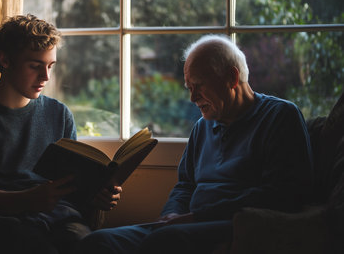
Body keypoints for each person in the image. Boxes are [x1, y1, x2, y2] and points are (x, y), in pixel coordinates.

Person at [75, 35, 313, 254]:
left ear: (232, 77)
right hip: (184, 225)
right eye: (189, 88)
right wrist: (171, 216)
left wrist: (196, 218)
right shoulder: (202, 127)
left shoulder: (280, 116)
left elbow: (282, 193)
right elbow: (185, 186)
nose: (192, 98)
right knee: (97, 242)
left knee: (166, 241)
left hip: (234, 224)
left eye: (199, 86)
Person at [0, 14, 122, 254]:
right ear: (5, 60)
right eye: (35, 66)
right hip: (1, 222)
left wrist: (96, 195)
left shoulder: (59, 114)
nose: (45, 77)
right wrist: (27, 199)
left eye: (50, 66)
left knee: (101, 246)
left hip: (59, 218)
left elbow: (71, 184)